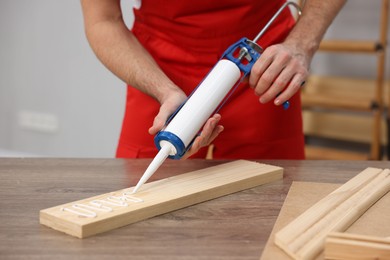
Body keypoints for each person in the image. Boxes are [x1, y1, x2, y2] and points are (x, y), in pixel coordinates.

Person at [80, 0, 346, 160]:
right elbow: (103, 21)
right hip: (159, 71)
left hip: (260, 67)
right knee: (139, 209)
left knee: (269, 209)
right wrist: (164, 91)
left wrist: (302, 43)